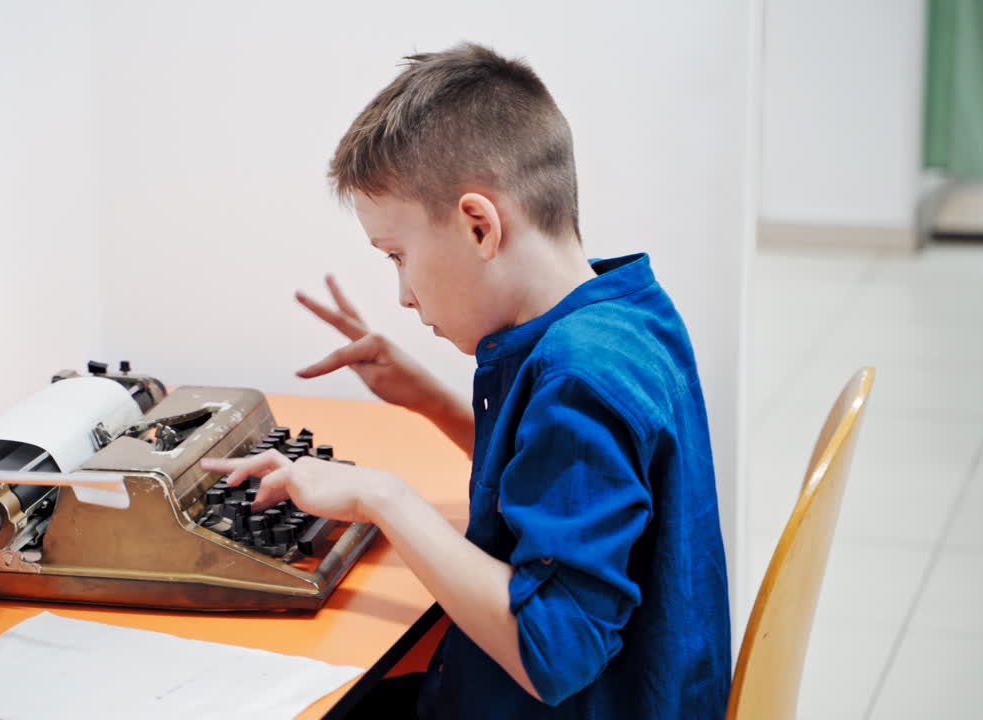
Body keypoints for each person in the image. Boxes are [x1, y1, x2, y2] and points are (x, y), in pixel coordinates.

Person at [200, 42, 730, 718]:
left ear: (479, 225)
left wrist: (381, 496)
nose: (403, 295)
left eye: (398, 256)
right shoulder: (626, 315)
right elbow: (565, 481)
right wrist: (430, 400)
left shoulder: (578, 378)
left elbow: (554, 653)